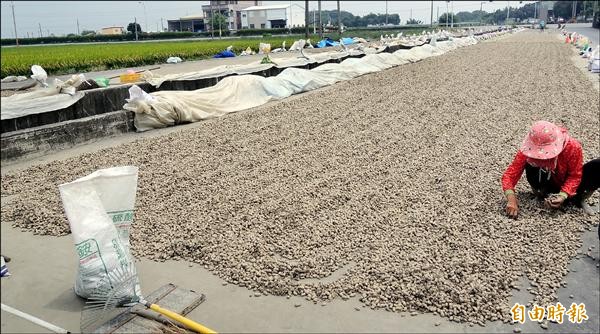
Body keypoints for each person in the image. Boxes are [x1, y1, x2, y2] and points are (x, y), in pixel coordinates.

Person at [501, 121, 599, 218]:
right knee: (528, 160)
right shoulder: (528, 149)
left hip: (569, 184)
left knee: (597, 165)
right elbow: (509, 175)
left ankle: (579, 199)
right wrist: (511, 199)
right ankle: (541, 193)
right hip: (545, 183)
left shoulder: (573, 147)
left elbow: (575, 175)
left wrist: (563, 195)